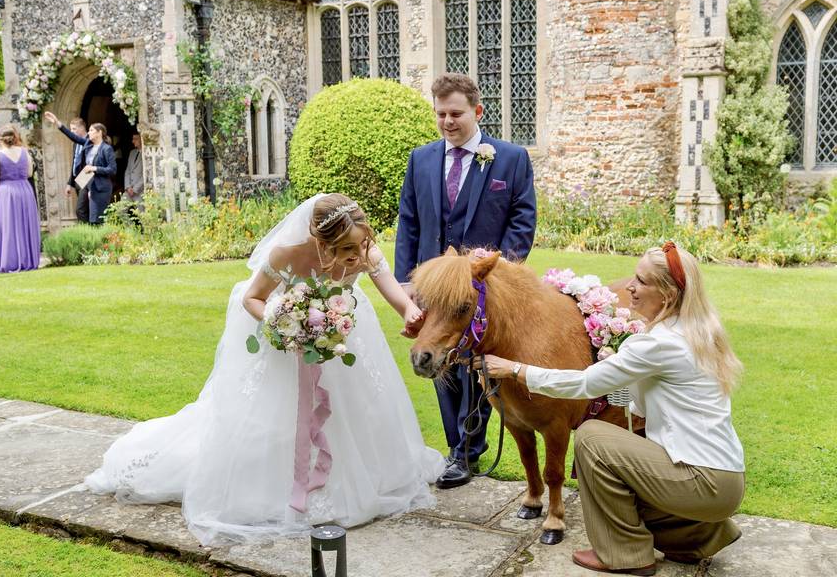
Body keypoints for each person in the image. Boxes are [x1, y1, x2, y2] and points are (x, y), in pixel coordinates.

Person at [85, 193, 445, 545]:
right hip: (287, 348)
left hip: (343, 337)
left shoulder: (364, 252)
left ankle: (353, 481)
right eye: (346, 249)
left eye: (360, 245)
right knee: (281, 418)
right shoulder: (287, 255)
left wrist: (410, 313)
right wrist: (284, 321)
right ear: (321, 242)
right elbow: (252, 298)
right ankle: (282, 487)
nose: (355, 257)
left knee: (355, 411)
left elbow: (393, 293)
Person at [477, 242, 745, 575]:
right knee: (624, 467)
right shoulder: (691, 330)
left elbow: (584, 384)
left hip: (703, 481)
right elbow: (644, 403)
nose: (629, 287)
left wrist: (515, 369)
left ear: (668, 295)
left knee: (591, 436)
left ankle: (625, 554)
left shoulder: (657, 343)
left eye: (643, 281)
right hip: (725, 479)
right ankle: (697, 539)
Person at [395, 72, 537, 489]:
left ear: (477, 111)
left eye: (455, 113)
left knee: (477, 365)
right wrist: (407, 281)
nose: (447, 122)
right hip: (433, 287)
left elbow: (521, 221)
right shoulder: (421, 159)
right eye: (440, 114)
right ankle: (457, 446)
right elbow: (410, 220)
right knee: (439, 363)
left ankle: (466, 453)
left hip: (481, 289)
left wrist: (496, 269)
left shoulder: (509, 159)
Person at [44, 112, 116, 224]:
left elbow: (112, 170)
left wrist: (94, 168)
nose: (89, 132)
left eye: (92, 130)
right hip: (86, 178)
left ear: (99, 133)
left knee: (96, 216)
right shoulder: (88, 144)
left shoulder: (106, 149)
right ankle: (87, 233)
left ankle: (95, 234)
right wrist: (57, 123)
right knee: (80, 210)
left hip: (99, 182)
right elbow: (73, 137)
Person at [0, 125, 41, 273]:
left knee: (8, 226)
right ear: (15, 138)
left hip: (6, 192)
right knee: (25, 225)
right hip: (24, 190)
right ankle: (28, 259)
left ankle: (9, 261)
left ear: (1, 140)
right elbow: (30, 173)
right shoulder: (25, 152)